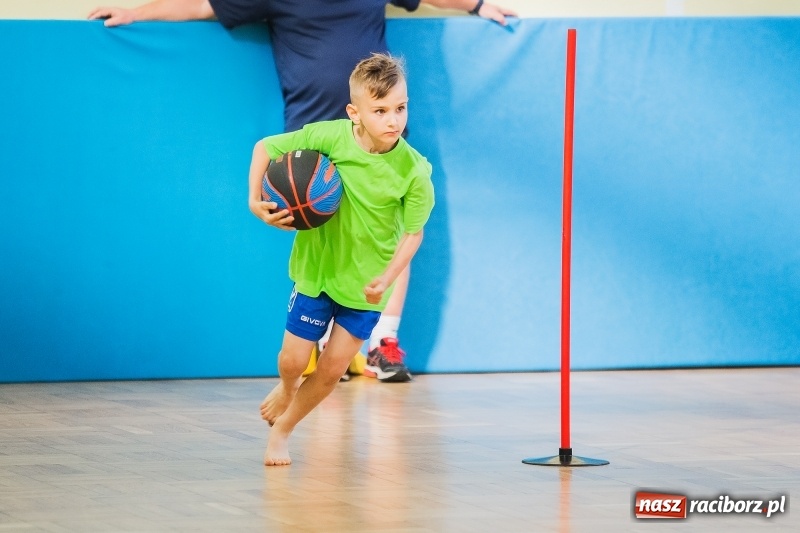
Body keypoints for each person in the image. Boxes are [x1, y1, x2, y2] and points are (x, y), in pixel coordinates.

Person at [88, 0, 516, 383]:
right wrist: (136, 11)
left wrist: (477, 5)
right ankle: (330, 340)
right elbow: (204, 5)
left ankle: (382, 342)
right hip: (316, 149)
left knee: (391, 234)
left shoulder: (395, 132)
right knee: (328, 241)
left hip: (379, 139)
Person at [249, 53, 435, 465]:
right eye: (381, 110)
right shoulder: (331, 137)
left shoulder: (414, 171)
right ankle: (286, 385)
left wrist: (387, 279)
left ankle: (283, 430)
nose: (393, 120)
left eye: (400, 108)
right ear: (354, 112)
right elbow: (265, 147)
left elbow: (413, 233)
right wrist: (254, 200)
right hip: (318, 271)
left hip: (365, 284)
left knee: (332, 370)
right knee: (293, 361)